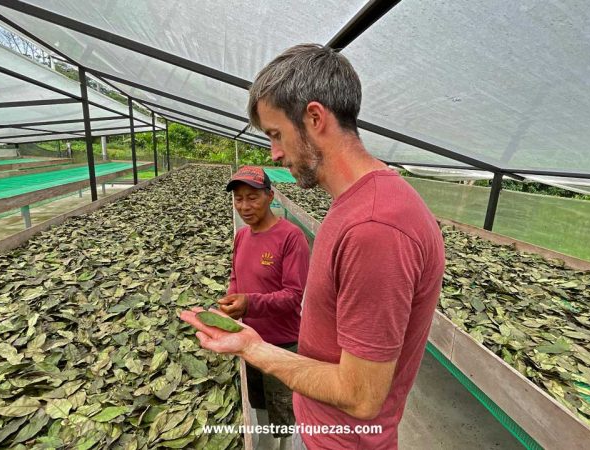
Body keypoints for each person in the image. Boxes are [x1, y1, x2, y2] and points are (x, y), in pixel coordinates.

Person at [181, 44, 445, 449]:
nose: (275, 153)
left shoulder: (375, 228)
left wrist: (254, 348)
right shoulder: (354, 204)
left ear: (315, 118)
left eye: (276, 134)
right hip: (317, 425)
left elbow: (361, 396)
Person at [220, 165, 310, 447]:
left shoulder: (291, 237)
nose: (244, 206)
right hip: (249, 340)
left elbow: (293, 296)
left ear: (270, 196)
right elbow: (236, 277)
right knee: (258, 403)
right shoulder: (241, 236)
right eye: (238, 199)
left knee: (282, 413)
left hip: (281, 344)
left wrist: (249, 303)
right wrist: (230, 303)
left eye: (252, 197)